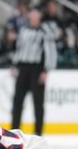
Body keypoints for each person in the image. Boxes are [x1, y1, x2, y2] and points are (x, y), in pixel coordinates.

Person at [11, 7, 53, 136]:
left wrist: (46, 70)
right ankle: (14, 131)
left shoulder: (45, 31)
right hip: (23, 68)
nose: (34, 16)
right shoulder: (23, 30)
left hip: (37, 69)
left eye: (36, 13)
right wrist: (14, 64)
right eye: (32, 13)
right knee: (17, 101)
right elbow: (19, 48)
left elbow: (50, 51)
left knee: (38, 103)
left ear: (39, 15)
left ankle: (38, 133)